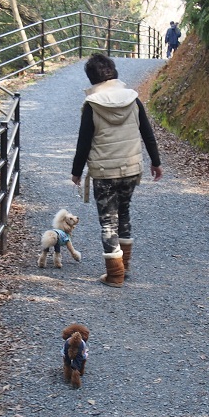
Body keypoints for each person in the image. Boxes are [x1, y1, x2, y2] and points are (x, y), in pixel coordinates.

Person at [71, 53, 163, 288]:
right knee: (124, 213)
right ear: (114, 72)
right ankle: (125, 266)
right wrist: (155, 162)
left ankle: (115, 275)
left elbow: (84, 142)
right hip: (131, 169)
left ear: (92, 77)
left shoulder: (92, 105)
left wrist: (76, 171)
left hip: (104, 172)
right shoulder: (133, 99)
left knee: (108, 222)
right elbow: (147, 133)